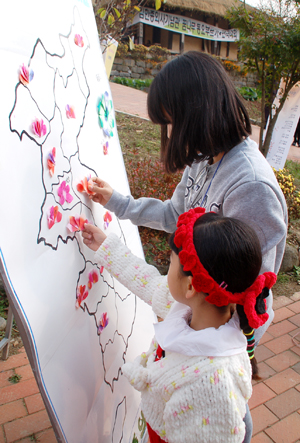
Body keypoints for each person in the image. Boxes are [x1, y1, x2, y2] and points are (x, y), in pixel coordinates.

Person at [89, 51, 287, 346]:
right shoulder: (205, 156)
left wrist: (205, 345)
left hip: (221, 337)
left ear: (199, 114)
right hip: (195, 316)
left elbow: (249, 288)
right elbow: (175, 215)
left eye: (171, 121)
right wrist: (119, 203)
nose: (168, 133)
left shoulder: (251, 187)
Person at [82, 208, 277, 443]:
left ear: (191, 286)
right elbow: (148, 282)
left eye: (171, 262)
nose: (166, 270)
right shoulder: (195, 308)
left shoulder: (212, 386)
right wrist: (107, 248)